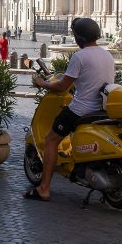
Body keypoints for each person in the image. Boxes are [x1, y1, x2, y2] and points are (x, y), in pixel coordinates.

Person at [25, 17, 113, 202]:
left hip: (81, 109)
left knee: (51, 140)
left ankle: (44, 188)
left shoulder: (79, 56)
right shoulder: (107, 55)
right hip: (101, 109)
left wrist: (42, 83)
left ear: (79, 38)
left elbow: (62, 86)